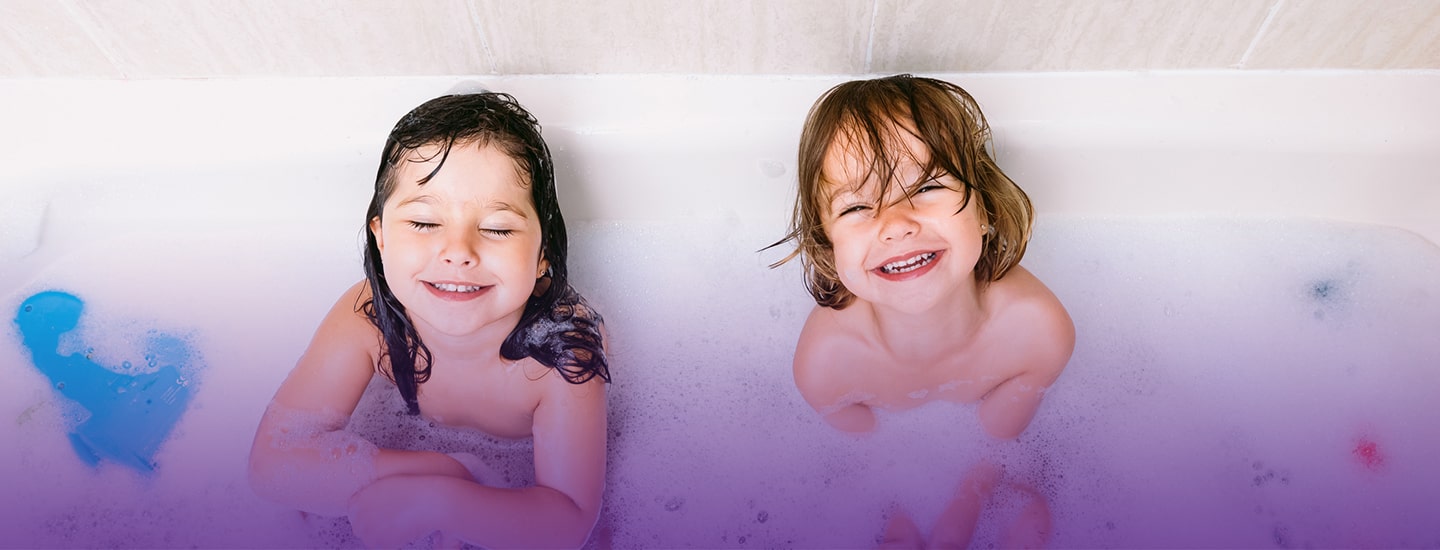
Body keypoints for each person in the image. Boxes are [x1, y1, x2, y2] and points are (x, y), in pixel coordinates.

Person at [248, 92, 609, 549]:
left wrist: (444, 503)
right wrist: (445, 472)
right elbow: (271, 463)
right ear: (381, 237)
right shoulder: (368, 318)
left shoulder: (561, 351)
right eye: (423, 223)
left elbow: (569, 518)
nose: (458, 252)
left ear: (543, 257)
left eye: (497, 228)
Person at [772, 75, 1074, 548]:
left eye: (928, 185)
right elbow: (869, 461)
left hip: (984, 472)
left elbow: (995, 444)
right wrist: (897, 518)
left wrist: (963, 507)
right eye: (856, 208)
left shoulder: (1036, 332)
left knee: (1029, 519)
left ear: (984, 207)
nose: (896, 225)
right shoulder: (827, 366)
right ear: (828, 249)